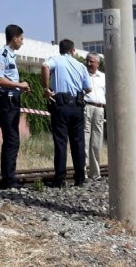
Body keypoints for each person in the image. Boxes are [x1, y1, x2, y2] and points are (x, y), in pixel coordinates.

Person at [41, 39, 92, 188]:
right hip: (77, 106)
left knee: (61, 142)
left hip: (61, 105)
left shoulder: (55, 60)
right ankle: (80, 178)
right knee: (78, 143)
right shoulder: (81, 66)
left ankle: (60, 179)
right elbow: (88, 88)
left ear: (60, 50)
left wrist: (46, 89)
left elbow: (44, 66)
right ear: (73, 50)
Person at [0, 24, 30, 189]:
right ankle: (8, 179)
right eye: (21, 38)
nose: (22, 42)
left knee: (13, 139)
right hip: (5, 102)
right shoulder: (2, 55)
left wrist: (20, 87)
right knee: (12, 140)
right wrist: (18, 84)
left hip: (13, 101)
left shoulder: (12, 56)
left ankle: (10, 176)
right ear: (14, 38)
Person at [83, 52, 105, 180]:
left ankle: (95, 173)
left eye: (92, 61)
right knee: (85, 140)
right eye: (87, 61)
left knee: (97, 141)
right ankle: (83, 172)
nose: (89, 64)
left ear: (98, 63)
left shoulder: (103, 77)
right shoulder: (83, 75)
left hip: (100, 109)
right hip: (86, 107)